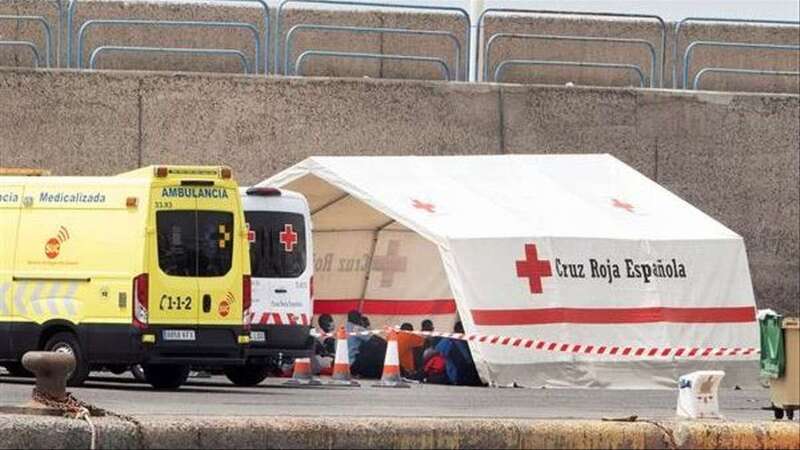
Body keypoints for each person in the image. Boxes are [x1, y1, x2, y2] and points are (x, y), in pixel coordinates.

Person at [434, 321, 482, 386]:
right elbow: (440, 352)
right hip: (457, 373)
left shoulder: (466, 341)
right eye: (462, 329)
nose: (464, 331)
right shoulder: (449, 341)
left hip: (466, 371)